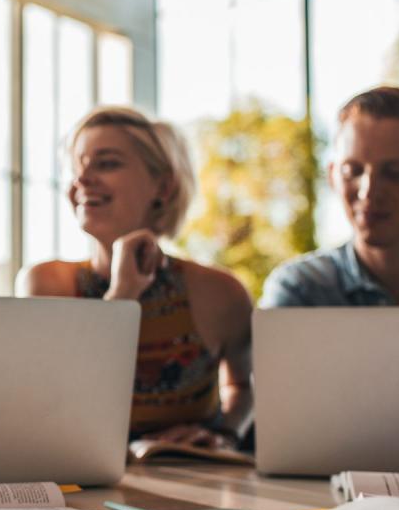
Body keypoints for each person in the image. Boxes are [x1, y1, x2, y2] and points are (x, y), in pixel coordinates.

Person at [16, 106, 253, 449]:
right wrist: (122, 295)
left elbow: (241, 388)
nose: (82, 180)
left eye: (107, 163)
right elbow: (54, 398)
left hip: (193, 485)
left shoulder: (221, 293)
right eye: (77, 167)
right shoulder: (46, 284)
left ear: (164, 186)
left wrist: (225, 434)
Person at [260, 86, 399, 308]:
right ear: (332, 176)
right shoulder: (302, 291)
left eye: (395, 173)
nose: (368, 191)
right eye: (352, 171)